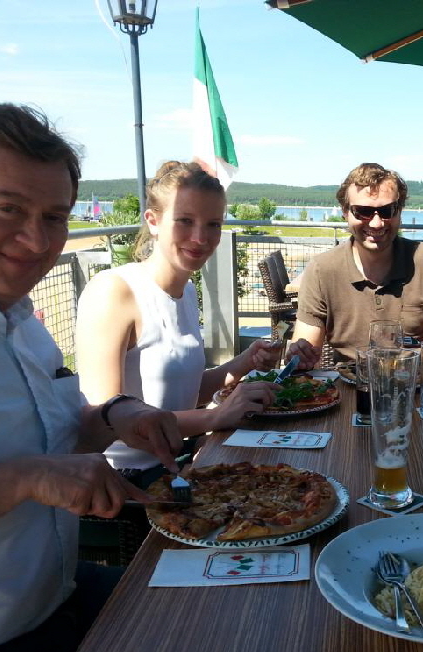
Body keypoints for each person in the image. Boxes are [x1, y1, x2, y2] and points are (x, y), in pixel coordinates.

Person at [0, 103, 181, 652]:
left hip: (62, 597)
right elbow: (37, 469)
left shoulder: (21, 322)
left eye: (55, 217)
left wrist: (117, 415)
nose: (36, 241)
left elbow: (58, 433)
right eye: (7, 209)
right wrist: (26, 479)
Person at [75, 161, 282, 482]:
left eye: (213, 224)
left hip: (182, 464)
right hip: (126, 482)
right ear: (153, 221)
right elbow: (104, 419)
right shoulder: (114, 291)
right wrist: (216, 416)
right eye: (185, 221)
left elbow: (185, 389)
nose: (200, 238)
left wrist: (246, 361)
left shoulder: (186, 291)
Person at [285, 162, 423, 366]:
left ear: (399, 211)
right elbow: (307, 343)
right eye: (363, 211)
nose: (376, 223)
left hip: (415, 384)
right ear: (345, 213)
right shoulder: (322, 269)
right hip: (349, 385)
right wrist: (301, 355)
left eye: (387, 211)